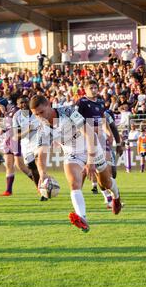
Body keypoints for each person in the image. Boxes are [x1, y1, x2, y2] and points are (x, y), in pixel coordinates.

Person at [30, 95, 123, 233]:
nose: (40, 117)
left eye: (42, 112)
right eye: (36, 115)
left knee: (105, 183)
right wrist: (42, 174)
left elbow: (89, 134)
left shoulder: (68, 112)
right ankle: (82, 218)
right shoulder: (42, 128)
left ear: (49, 105)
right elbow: (41, 153)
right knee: (74, 184)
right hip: (72, 154)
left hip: (92, 148)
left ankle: (116, 196)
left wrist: (91, 160)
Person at [75, 80, 118, 208]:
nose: (93, 90)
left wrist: (108, 132)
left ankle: (110, 197)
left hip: (101, 137)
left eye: (95, 87)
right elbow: (76, 120)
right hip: (88, 139)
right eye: (91, 88)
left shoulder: (100, 102)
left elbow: (103, 118)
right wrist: (90, 130)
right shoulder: (81, 102)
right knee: (98, 169)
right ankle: (108, 197)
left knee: (108, 169)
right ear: (85, 89)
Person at [12, 96, 47, 201]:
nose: (24, 104)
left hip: (39, 141)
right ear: (18, 105)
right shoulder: (17, 116)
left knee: (39, 164)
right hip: (26, 144)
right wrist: (27, 130)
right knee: (33, 168)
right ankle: (41, 189)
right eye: (21, 103)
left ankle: (43, 193)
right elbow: (15, 136)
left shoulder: (38, 112)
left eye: (25, 102)